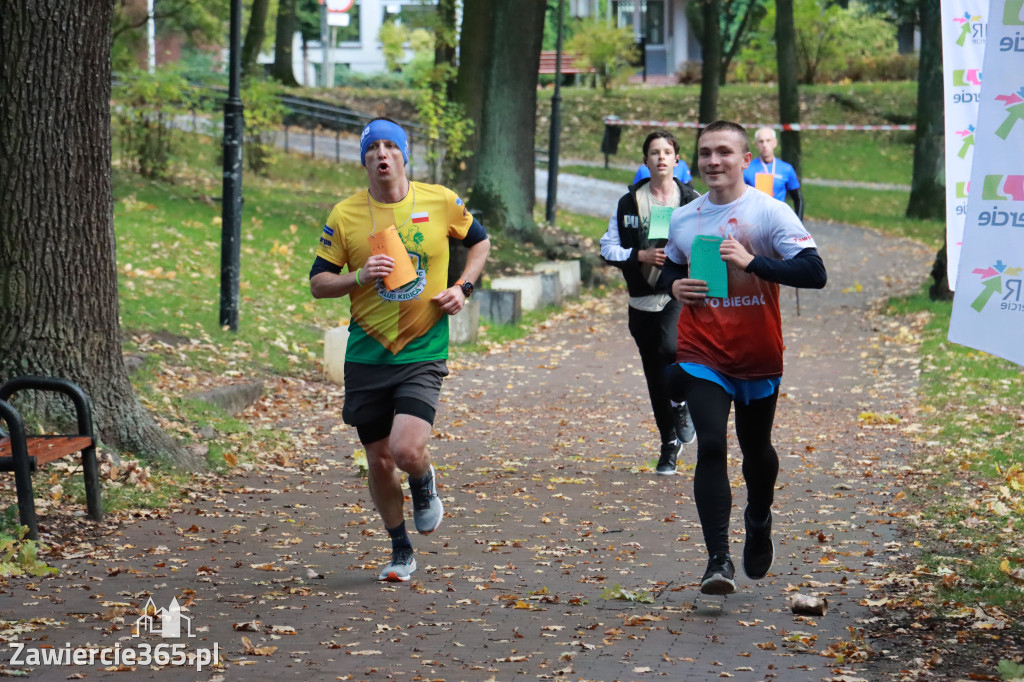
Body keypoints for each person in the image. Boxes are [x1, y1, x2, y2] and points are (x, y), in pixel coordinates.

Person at [309, 117, 491, 583]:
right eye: (373, 149)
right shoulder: (345, 214)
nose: (382, 155)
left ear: (404, 155)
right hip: (367, 355)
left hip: (422, 350)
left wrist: (463, 287)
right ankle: (400, 548)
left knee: (406, 450)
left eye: (391, 146)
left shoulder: (440, 200)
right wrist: (359, 276)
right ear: (365, 160)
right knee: (378, 459)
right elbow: (318, 283)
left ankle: (424, 483)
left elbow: (480, 242)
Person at [660, 120, 826, 595]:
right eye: (706, 153)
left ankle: (758, 516)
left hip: (757, 351)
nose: (714, 161)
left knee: (756, 452)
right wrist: (674, 283)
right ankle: (718, 561)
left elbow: (814, 273)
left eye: (725, 153)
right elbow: (671, 261)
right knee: (711, 445)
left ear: (745, 158)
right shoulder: (684, 217)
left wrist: (754, 263)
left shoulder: (769, 213)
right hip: (701, 350)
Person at [601, 131, 701, 475]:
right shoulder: (629, 203)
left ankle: (683, 402)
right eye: (654, 152)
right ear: (645, 162)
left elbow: (706, 242)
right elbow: (607, 248)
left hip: (677, 295)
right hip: (641, 300)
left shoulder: (691, 200)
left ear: (677, 160)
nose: (661, 157)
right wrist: (639, 254)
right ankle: (668, 444)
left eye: (667, 152)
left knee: (671, 346)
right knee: (655, 375)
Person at [742, 126, 804, 220]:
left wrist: (799, 225)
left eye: (768, 140)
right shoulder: (747, 168)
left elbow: (798, 199)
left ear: (775, 143)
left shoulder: (786, 169)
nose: (764, 145)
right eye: (761, 141)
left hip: (778, 221)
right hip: (753, 221)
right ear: (756, 145)